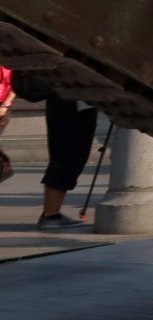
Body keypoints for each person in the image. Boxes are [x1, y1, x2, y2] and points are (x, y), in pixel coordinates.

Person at [38, 92, 97, 231]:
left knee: (66, 156)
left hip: (69, 101)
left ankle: (51, 213)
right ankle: (51, 214)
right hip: (73, 103)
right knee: (68, 157)